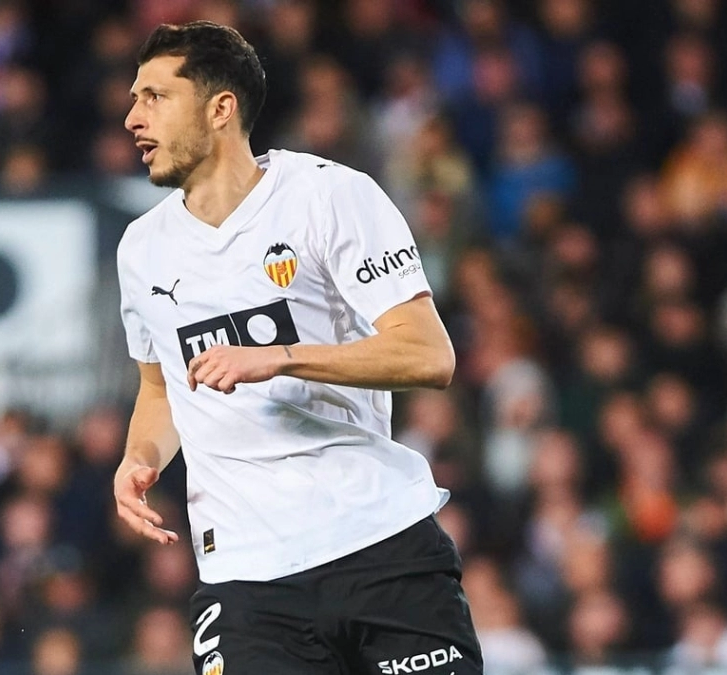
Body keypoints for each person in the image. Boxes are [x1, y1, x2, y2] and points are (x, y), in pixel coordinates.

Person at [113, 21, 483, 675]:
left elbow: (428, 355)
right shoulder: (141, 250)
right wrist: (139, 456)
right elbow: (161, 387)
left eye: (153, 97)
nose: (131, 117)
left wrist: (282, 355)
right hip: (247, 580)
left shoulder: (330, 197)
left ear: (219, 107)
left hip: (379, 544)